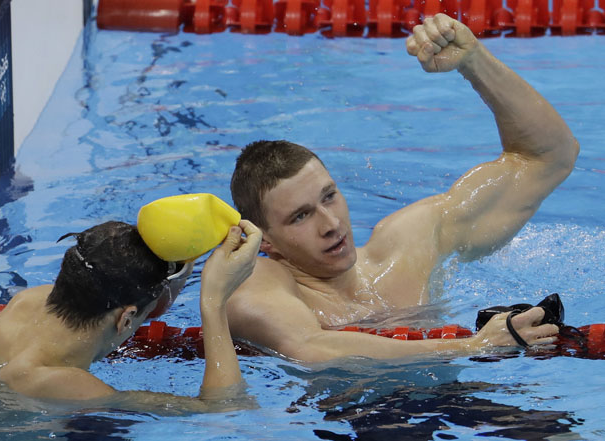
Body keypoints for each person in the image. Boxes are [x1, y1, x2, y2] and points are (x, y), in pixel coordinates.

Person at [226, 14, 579, 362]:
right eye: (300, 216)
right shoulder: (259, 283)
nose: (331, 224)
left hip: (455, 404)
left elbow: (549, 158)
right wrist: (475, 346)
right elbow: (310, 348)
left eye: (329, 197)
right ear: (264, 240)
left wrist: (475, 63)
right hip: (348, 417)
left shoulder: (410, 244)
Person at [0, 219, 262, 411]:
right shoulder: (66, 384)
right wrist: (214, 301)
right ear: (126, 319)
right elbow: (227, 408)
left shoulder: (26, 301)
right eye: (143, 318)